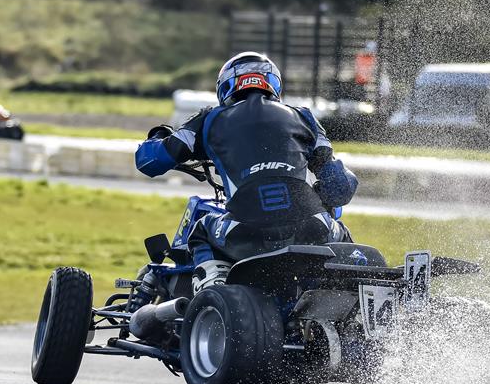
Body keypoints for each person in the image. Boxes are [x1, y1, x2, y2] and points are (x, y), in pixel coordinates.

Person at [135, 52, 358, 294]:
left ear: (226, 86)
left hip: (245, 228)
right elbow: (341, 187)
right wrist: (319, 196)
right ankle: (355, 286)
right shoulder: (304, 117)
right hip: (312, 226)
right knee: (338, 228)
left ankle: (213, 286)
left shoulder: (208, 119)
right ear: (273, 84)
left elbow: (150, 161)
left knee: (199, 229)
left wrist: (159, 135)